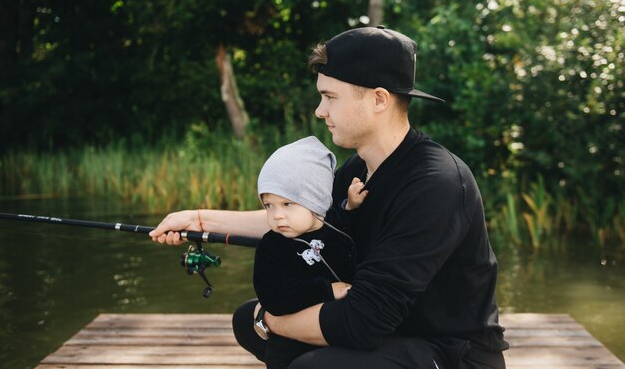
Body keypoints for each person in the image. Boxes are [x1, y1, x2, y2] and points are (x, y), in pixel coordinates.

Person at [150, 25, 508, 369]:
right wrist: (198, 220)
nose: (320, 111)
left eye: (329, 97)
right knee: (247, 320)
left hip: (450, 354)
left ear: (379, 99)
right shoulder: (358, 168)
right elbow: (304, 220)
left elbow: (362, 322)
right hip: (394, 334)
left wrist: (272, 320)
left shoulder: (435, 183)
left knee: (309, 360)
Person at [253, 135, 366, 369]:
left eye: (287, 204)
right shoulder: (272, 246)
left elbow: (347, 228)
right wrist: (326, 290)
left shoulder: (335, 225)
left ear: (316, 200)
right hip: (290, 344)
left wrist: (351, 206)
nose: (277, 215)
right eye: (268, 205)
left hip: (335, 336)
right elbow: (273, 297)